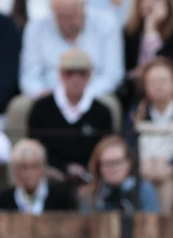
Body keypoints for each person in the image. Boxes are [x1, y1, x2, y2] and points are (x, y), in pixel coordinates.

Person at [21, 0, 124, 103]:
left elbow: (112, 75)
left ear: (84, 7)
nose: (66, 23)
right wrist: (50, 97)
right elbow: (29, 76)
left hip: (94, 98)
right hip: (48, 99)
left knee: (110, 103)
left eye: (71, 16)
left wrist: (83, 96)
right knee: (20, 106)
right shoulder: (36, 28)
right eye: (61, 16)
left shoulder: (107, 23)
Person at [126, 57, 173, 213]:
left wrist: (171, 165)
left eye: (163, 81)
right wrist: (141, 165)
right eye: (153, 82)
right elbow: (129, 143)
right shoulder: (136, 111)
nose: (158, 86)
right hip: (143, 167)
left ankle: (163, 225)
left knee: (166, 179)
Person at [29, 48, 115, 178]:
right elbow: (34, 148)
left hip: (92, 179)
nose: (76, 78)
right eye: (69, 73)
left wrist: (87, 172)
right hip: (49, 177)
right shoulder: (41, 108)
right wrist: (59, 169)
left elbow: (105, 150)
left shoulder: (102, 112)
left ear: (89, 76)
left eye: (82, 73)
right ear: (61, 75)